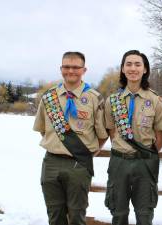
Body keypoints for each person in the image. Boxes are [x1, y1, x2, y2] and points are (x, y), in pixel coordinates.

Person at [33, 51, 108, 225]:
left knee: (76, 215)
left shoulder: (94, 98)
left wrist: (86, 154)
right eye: (66, 67)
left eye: (75, 67)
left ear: (84, 70)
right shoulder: (49, 97)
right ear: (61, 69)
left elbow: (102, 135)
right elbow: (43, 130)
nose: (71, 71)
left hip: (79, 164)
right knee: (54, 214)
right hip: (51, 163)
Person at [104, 50, 162, 225]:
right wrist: (124, 149)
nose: (133, 68)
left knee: (144, 214)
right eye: (128, 64)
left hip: (145, 163)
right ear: (122, 69)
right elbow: (112, 131)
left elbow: (160, 136)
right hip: (119, 162)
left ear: (145, 69)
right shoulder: (112, 101)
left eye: (138, 64)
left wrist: (145, 154)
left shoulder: (155, 101)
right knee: (118, 212)